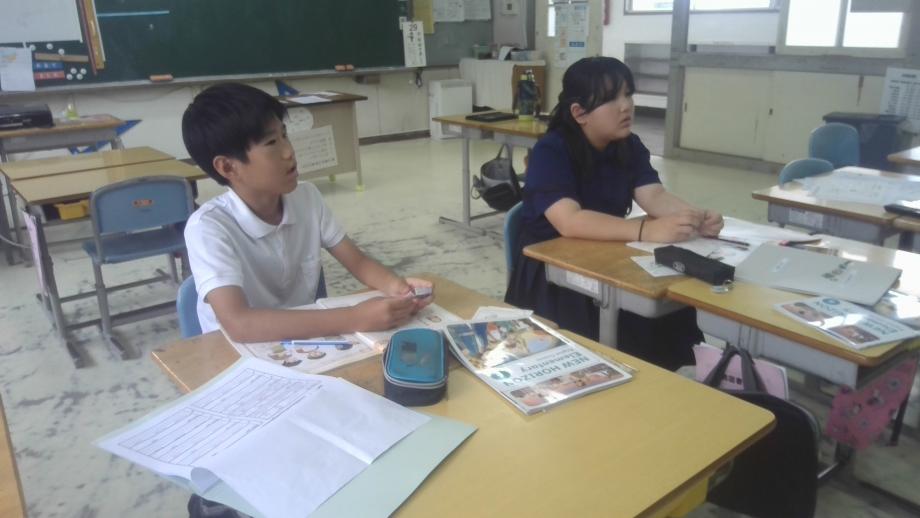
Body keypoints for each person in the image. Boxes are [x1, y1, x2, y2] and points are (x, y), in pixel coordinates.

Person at [505, 57, 724, 368]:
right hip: (552, 271)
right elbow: (570, 221)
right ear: (579, 113)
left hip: (606, 252)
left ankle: (674, 378)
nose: (626, 106)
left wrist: (695, 217)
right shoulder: (551, 151)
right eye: (611, 99)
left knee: (669, 304)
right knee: (616, 336)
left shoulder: (628, 145)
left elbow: (654, 195)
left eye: (628, 94)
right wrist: (645, 231)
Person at [181, 82, 433, 343]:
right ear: (228, 167)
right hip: (236, 355)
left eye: (285, 135)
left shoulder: (306, 197)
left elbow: (358, 262)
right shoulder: (208, 228)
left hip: (305, 342)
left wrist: (398, 288)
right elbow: (240, 324)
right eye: (271, 142)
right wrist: (354, 318)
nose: (289, 151)